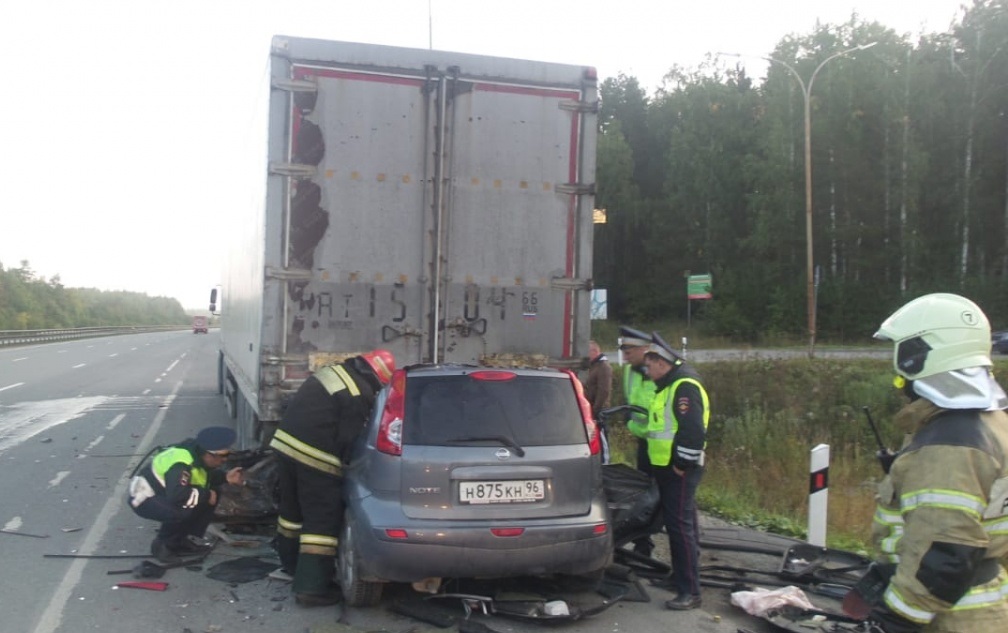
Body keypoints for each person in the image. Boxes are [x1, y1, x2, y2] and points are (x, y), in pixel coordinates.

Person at [863, 293, 1008, 632]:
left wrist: (894, 619)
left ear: (919, 356)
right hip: (984, 604)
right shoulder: (991, 422)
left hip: (945, 617)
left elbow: (944, 553)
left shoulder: (949, 444)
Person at [269, 349, 395, 607]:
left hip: (285, 446)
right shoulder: (358, 394)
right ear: (378, 378)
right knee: (322, 522)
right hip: (316, 457)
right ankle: (311, 589)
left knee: (292, 513)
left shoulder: (334, 372)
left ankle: (292, 567)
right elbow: (349, 440)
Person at [643, 332, 709, 611]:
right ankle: (679, 579)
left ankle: (690, 591)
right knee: (680, 526)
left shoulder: (684, 386)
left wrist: (681, 464)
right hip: (668, 468)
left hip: (679, 470)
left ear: (662, 362)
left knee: (681, 529)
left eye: (649, 365)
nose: (646, 371)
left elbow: (693, 431)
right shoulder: (669, 385)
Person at [127, 426, 245, 563]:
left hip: (162, 492)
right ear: (208, 454)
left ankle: (179, 541)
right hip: (144, 498)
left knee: (212, 493)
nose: (225, 460)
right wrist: (206, 495)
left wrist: (226, 478)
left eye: (228, 455)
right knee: (184, 508)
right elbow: (177, 495)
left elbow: (202, 478)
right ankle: (162, 545)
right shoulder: (181, 464)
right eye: (223, 456)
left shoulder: (196, 456)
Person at [619, 325, 658, 556]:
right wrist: (630, 423)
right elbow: (631, 403)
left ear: (645, 349)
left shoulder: (658, 371)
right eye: (623, 350)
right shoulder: (629, 370)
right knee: (644, 495)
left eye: (629, 350)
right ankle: (643, 544)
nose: (625, 355)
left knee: (664, 498)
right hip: (644, 442)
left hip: (663, 445)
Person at [584, 339, 613, 463]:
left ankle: (605, 463)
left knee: (602, 438)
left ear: (595, 351)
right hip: (594, 408)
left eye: (587, 352)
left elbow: (604, 391)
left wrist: (595, 410)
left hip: (600, 409)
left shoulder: (603, 367)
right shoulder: (595, 366)